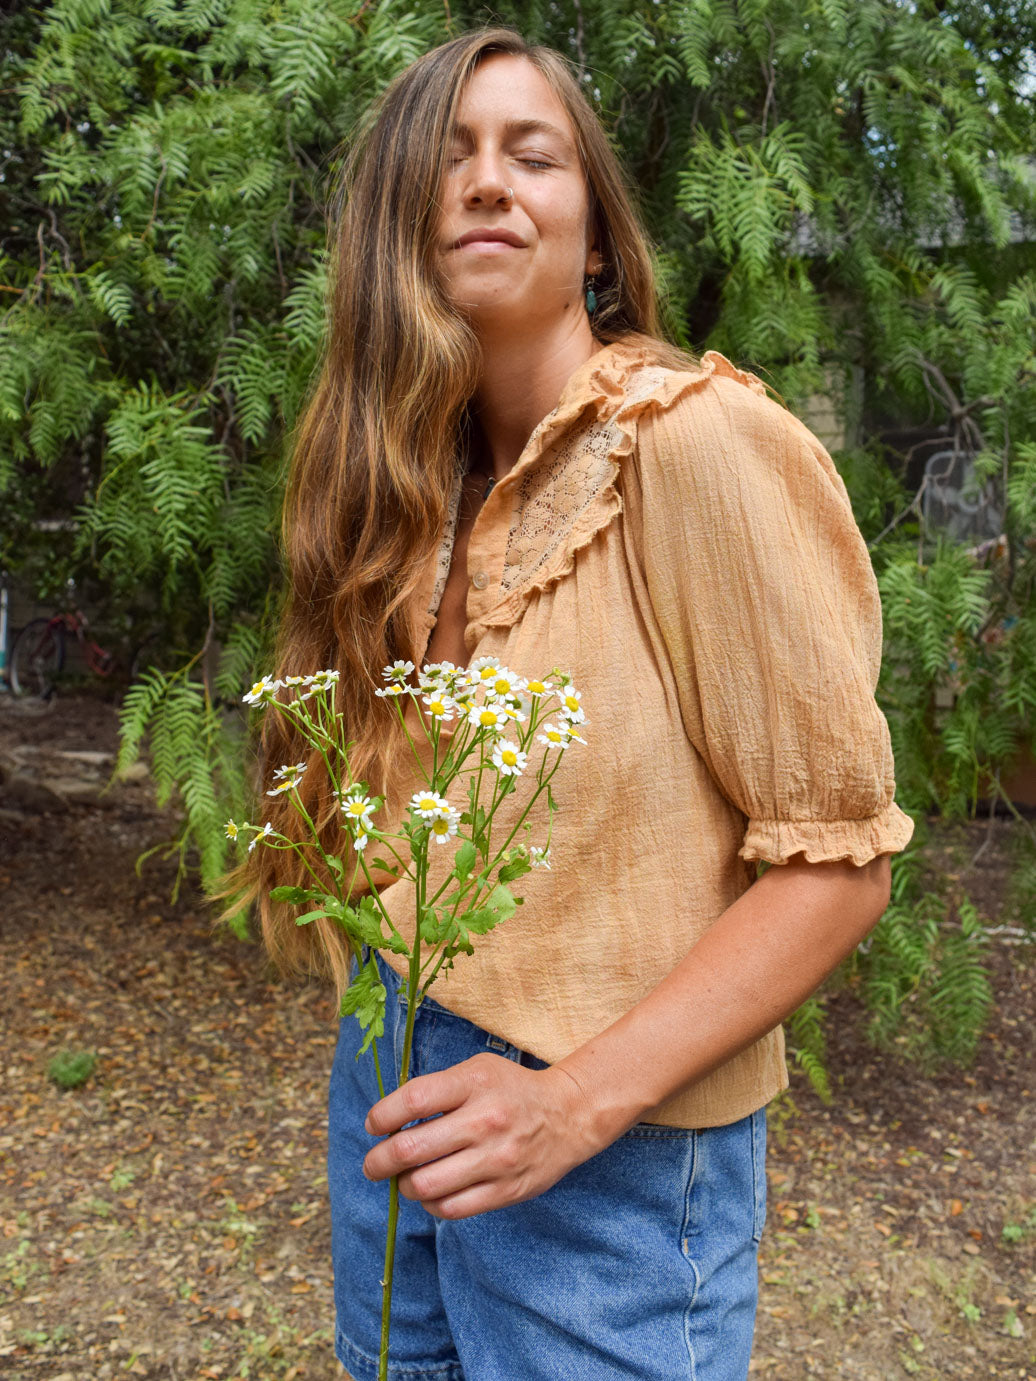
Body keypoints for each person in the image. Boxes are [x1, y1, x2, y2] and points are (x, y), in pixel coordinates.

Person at [248, 26, 915, 1381]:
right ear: (394, 225)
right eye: (450, 159)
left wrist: (569, 1104)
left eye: (529, 153)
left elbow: (840, 864)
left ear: (595, 239)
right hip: (393, 1077)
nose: (487, 182)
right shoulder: (402, 493)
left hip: (613, 1159)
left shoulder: (693, 447)